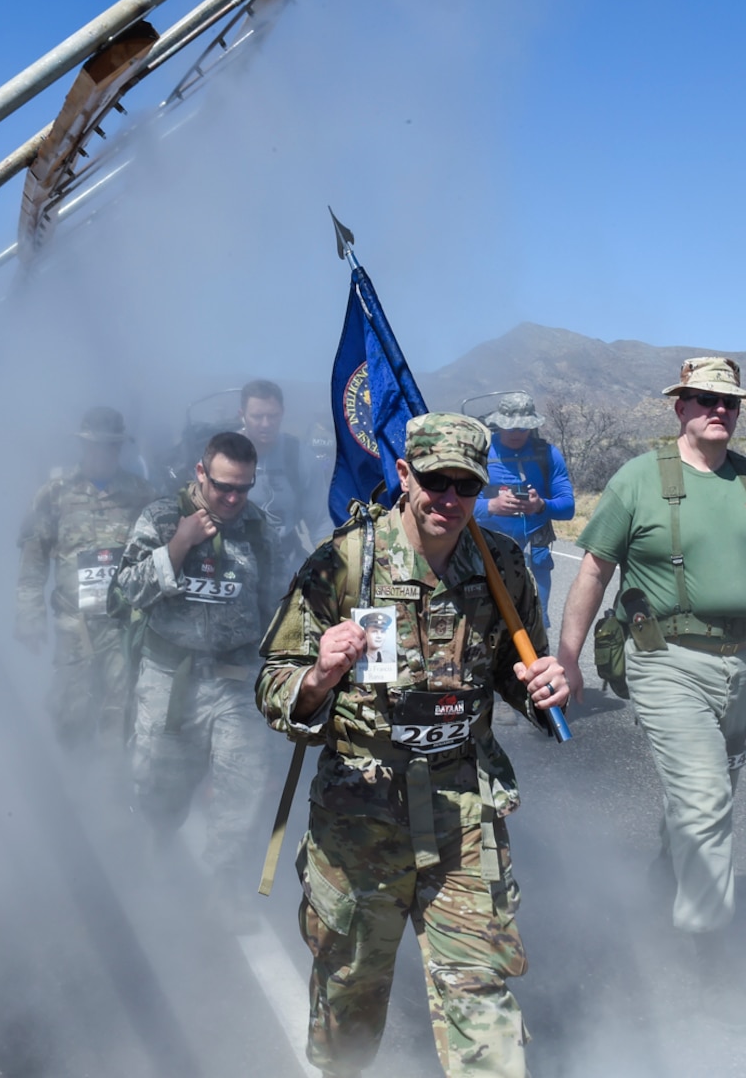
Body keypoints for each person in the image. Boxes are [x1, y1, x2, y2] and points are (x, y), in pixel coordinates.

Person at [256, 412, 569, 1078]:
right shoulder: (344, 562)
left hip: (463, 810)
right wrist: (318, 675)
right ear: (404, 475)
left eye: (466, 485)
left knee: (478, 990)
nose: (450, 500)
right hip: (361, 815)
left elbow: (524, 672)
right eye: (435, 482)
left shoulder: (500, 564)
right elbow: (273, 682)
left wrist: (547, 686)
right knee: (350, 990)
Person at [556, 357, 746, 1025]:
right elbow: (593, 571)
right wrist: (568, 659)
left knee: (709, 792)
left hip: (742, 661)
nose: (716, 410)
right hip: (665, 661)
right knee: (703, 799)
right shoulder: (640, 480)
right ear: (679, 408)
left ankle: (661, 891)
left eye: (727, 402)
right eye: (702, 399)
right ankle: (711, 952)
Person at [111, 430, 286, 914]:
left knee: (241, 786)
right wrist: (177, 547)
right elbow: (124, 591)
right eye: (223, 486)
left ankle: (221, 886)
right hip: (171, 678)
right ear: (201, 473)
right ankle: (153, 861)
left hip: (236, 678)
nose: (233, 498)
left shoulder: (258, 527)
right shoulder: (163, 517)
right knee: (158, 783)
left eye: (243, 488)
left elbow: (276, 605)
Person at [16, 406, 157, 749]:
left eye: (112, 445)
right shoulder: (55, 494)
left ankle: (111, 789)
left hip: (123, 625)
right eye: (96, 444)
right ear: (83, 445)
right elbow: (33, 564)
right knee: (72, 712)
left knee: (120, 713)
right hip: (73, 625)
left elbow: (157, 561)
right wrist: (29, 618)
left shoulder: (143, 495)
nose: (104, 452)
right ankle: (74, 784)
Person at [472, 391, 575, 622]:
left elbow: (568, 507)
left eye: (522, 427)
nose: (516, 433)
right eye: (510, 427)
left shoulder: (546, 454)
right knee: (489, 623)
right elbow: (458, 506)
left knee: (536, 620)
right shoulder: (481, 454)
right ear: (499, 423)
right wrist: (491, 506)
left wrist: (541, 506)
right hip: (489, 554)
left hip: (535, 554)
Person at [239, 379, 331, 576]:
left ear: (283, 413)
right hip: (235, 564)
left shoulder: (300, 457)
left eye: (272, 416)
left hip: (285, 564)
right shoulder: (225, 455)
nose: (266, 424)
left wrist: (332, 569)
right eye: (257, 416)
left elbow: (320, 521)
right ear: (242, 416)